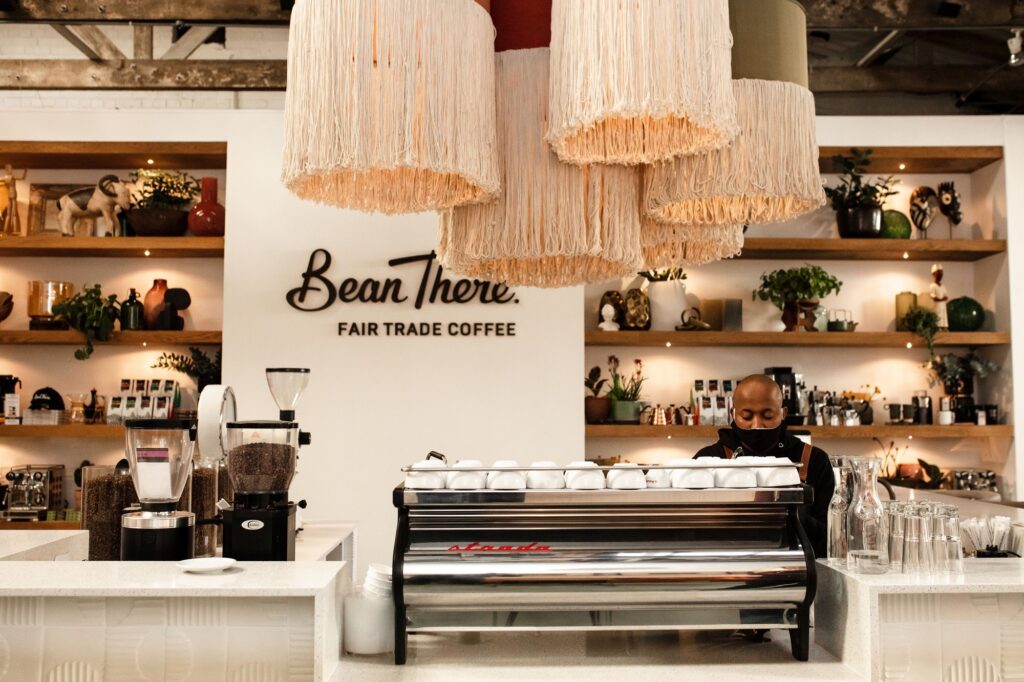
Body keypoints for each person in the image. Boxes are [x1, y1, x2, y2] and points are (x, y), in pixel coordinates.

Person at [694, 374, 835, 558]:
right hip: (724, 567)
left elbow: (832, 541)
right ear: (733, 414)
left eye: (768, 416)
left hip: (800, 573)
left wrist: (795, 517)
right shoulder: (709, 459)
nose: (757, 425)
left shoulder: (814, 460)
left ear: (783, 413)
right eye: (747, 416)